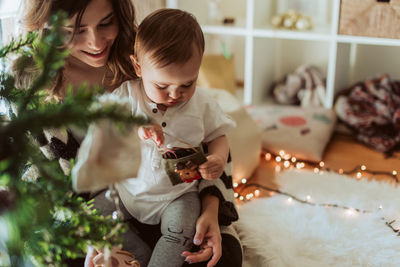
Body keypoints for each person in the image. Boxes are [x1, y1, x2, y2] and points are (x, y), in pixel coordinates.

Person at [16, 1, 242, 266]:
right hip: (105, 215)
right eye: (74, 30)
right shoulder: (28, 87)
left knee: (219, 256)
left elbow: (211, 143)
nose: (96, 42)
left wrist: (211, 211)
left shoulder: (151, 48)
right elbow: (34, 192)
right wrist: (95, 243)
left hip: (178, 203)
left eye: (105, 22)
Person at [82, 8, 237, 267]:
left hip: (178, 196)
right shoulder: (127, 96)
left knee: (182, 232)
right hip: (127, 192)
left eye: (187, 84)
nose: (175, 95)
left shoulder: (203, 105)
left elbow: (218, 135)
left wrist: (218, 158)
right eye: (162, 86)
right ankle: (137, 258)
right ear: (138, 67)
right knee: (86, 220)